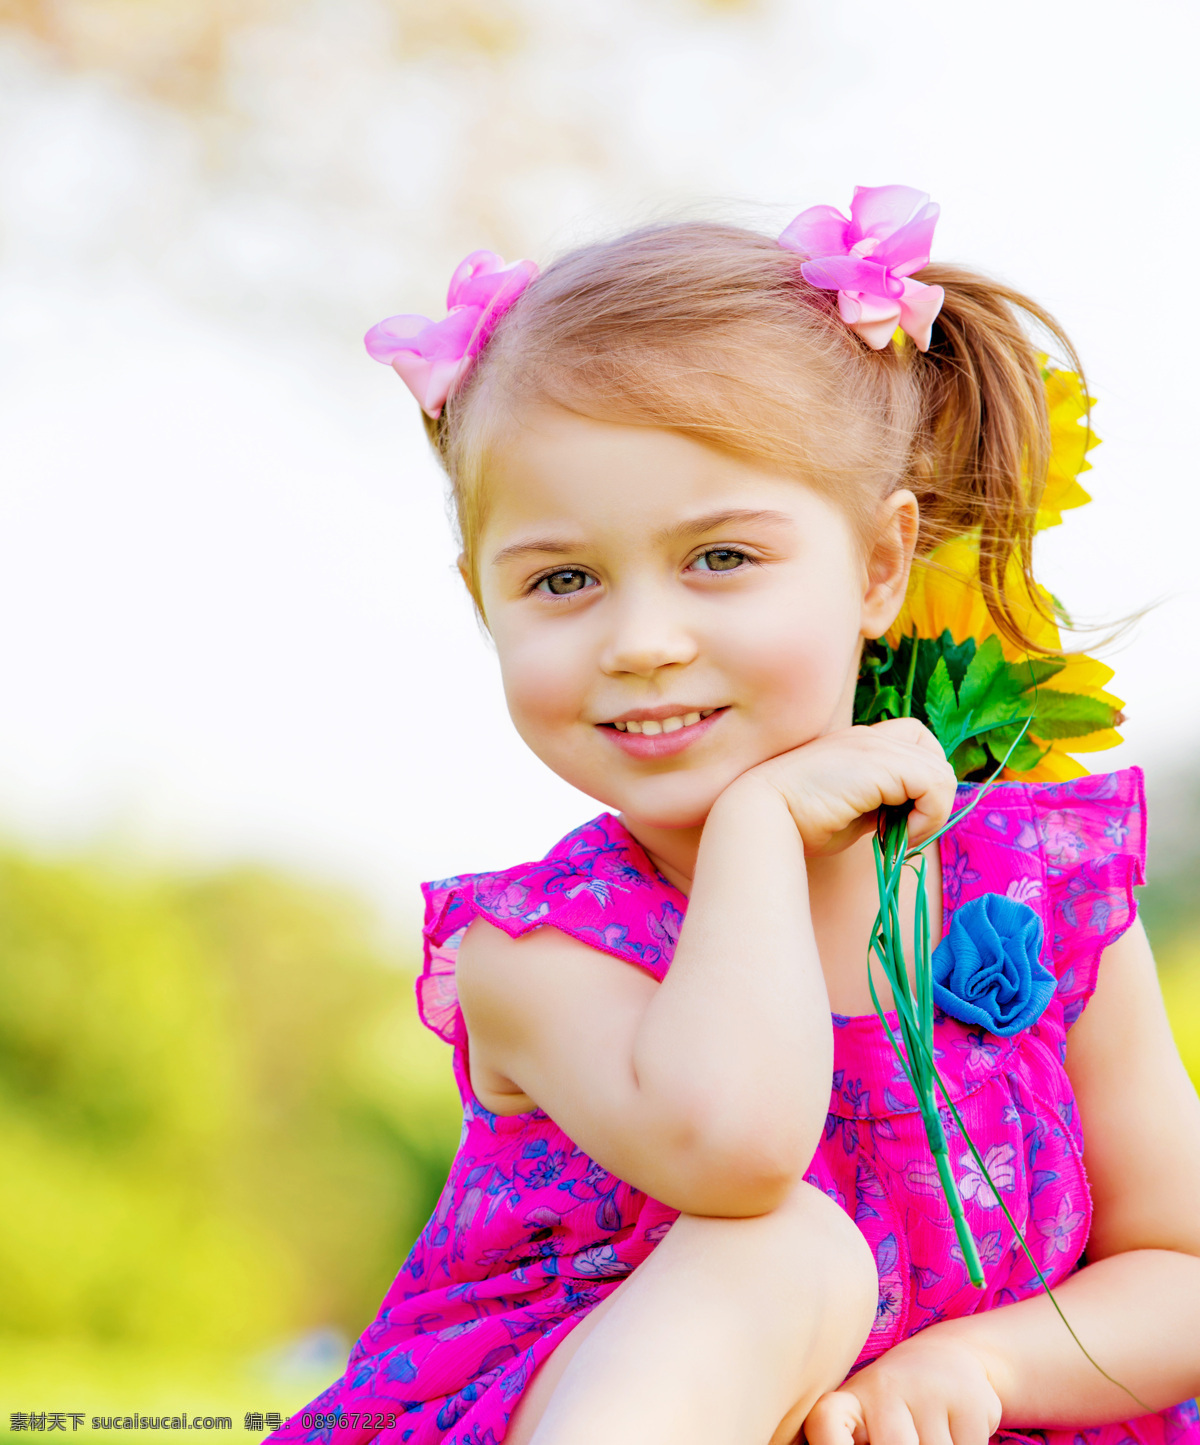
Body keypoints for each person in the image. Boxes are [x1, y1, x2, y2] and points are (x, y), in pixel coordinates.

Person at [271, 187, 1200, 1445]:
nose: (643, 642)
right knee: (787, 1250)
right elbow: (736, 1147)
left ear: (878, 566)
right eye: (563, 579)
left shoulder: (1038, 895)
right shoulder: (533, 950)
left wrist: (987, 1365)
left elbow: (1181, 1269)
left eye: (720, 557)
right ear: (484, 598)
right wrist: (760, 832)